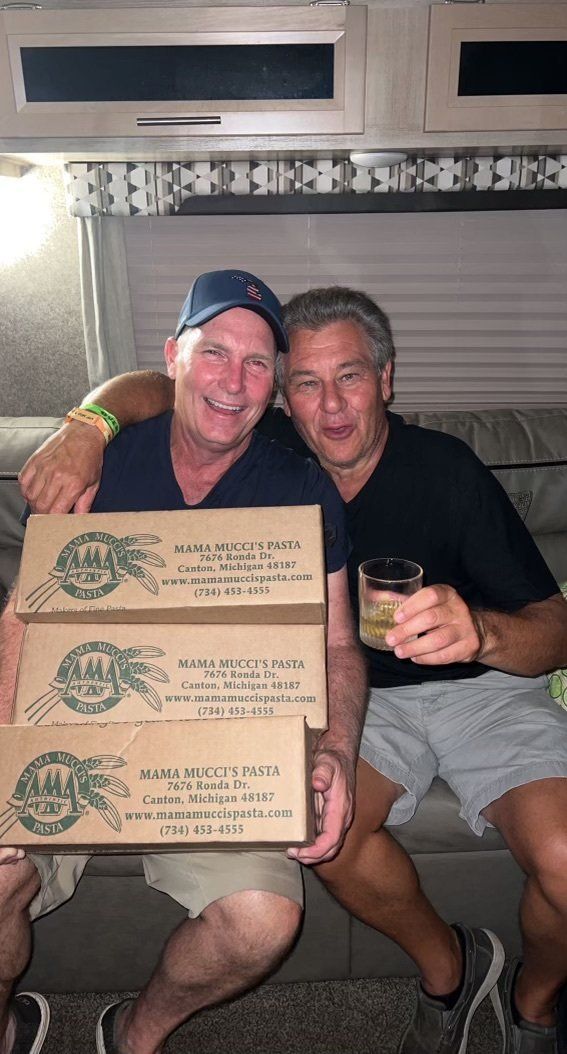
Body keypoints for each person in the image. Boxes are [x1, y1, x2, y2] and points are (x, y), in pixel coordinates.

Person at [18, 285, 567, 1054]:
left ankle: (535, 1006)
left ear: (385, 379)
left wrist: (478, 632)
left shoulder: (445, 470)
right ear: (284, 395)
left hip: (479, 691)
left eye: (349, 376)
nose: (330, 405)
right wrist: (87, 423)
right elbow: (162, 384)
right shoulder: (264, 437)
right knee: (320, 826)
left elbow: (554, 630)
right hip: (373, 705)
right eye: (304, 382)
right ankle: (450, 968)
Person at [0, 271, 367, 1054]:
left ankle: (133, 1034)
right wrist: (4, 758)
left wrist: (335, 750)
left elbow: (337, 644)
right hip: (73, 727)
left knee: (264, 922)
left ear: (273, 387)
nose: (233, 382)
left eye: (258, 363)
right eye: (213, 353)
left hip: (217, 745)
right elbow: (24, 617)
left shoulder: (300, 489)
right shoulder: (100, 465)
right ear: (172, 358)